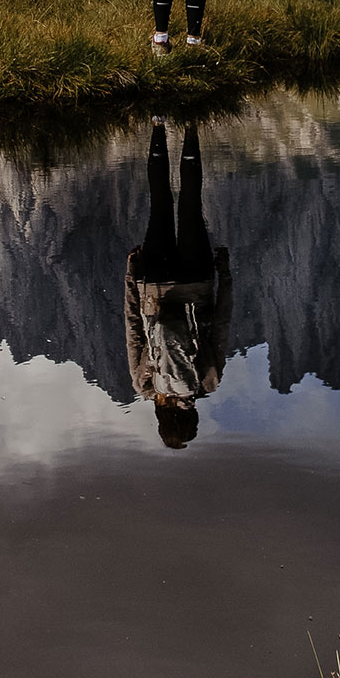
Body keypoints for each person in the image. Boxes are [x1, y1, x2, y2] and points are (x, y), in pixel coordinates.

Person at [124, 121, 232, 448]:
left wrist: (225, 275)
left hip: (197, 281)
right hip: (154, 287)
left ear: (193, 415)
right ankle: (158, 125)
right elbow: (133, 328)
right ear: (161, 418)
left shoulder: (208, 382)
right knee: (160, 203)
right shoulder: (145, 385)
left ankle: (191, 125)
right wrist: (132, 276)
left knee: (189, 203)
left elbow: (221, 325)